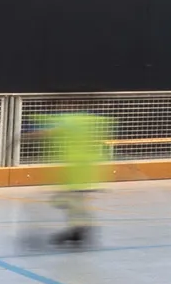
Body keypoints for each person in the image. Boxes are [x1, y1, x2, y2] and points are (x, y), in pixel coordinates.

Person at [35, 106, 113, 250]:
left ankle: (80, 229)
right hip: (84, 170)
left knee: (69, 200)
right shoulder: (91, 121)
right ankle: (79, 229)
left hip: (78, 171)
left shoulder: (72, 121)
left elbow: (52, 130)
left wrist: (27, 136)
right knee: (72, 201)